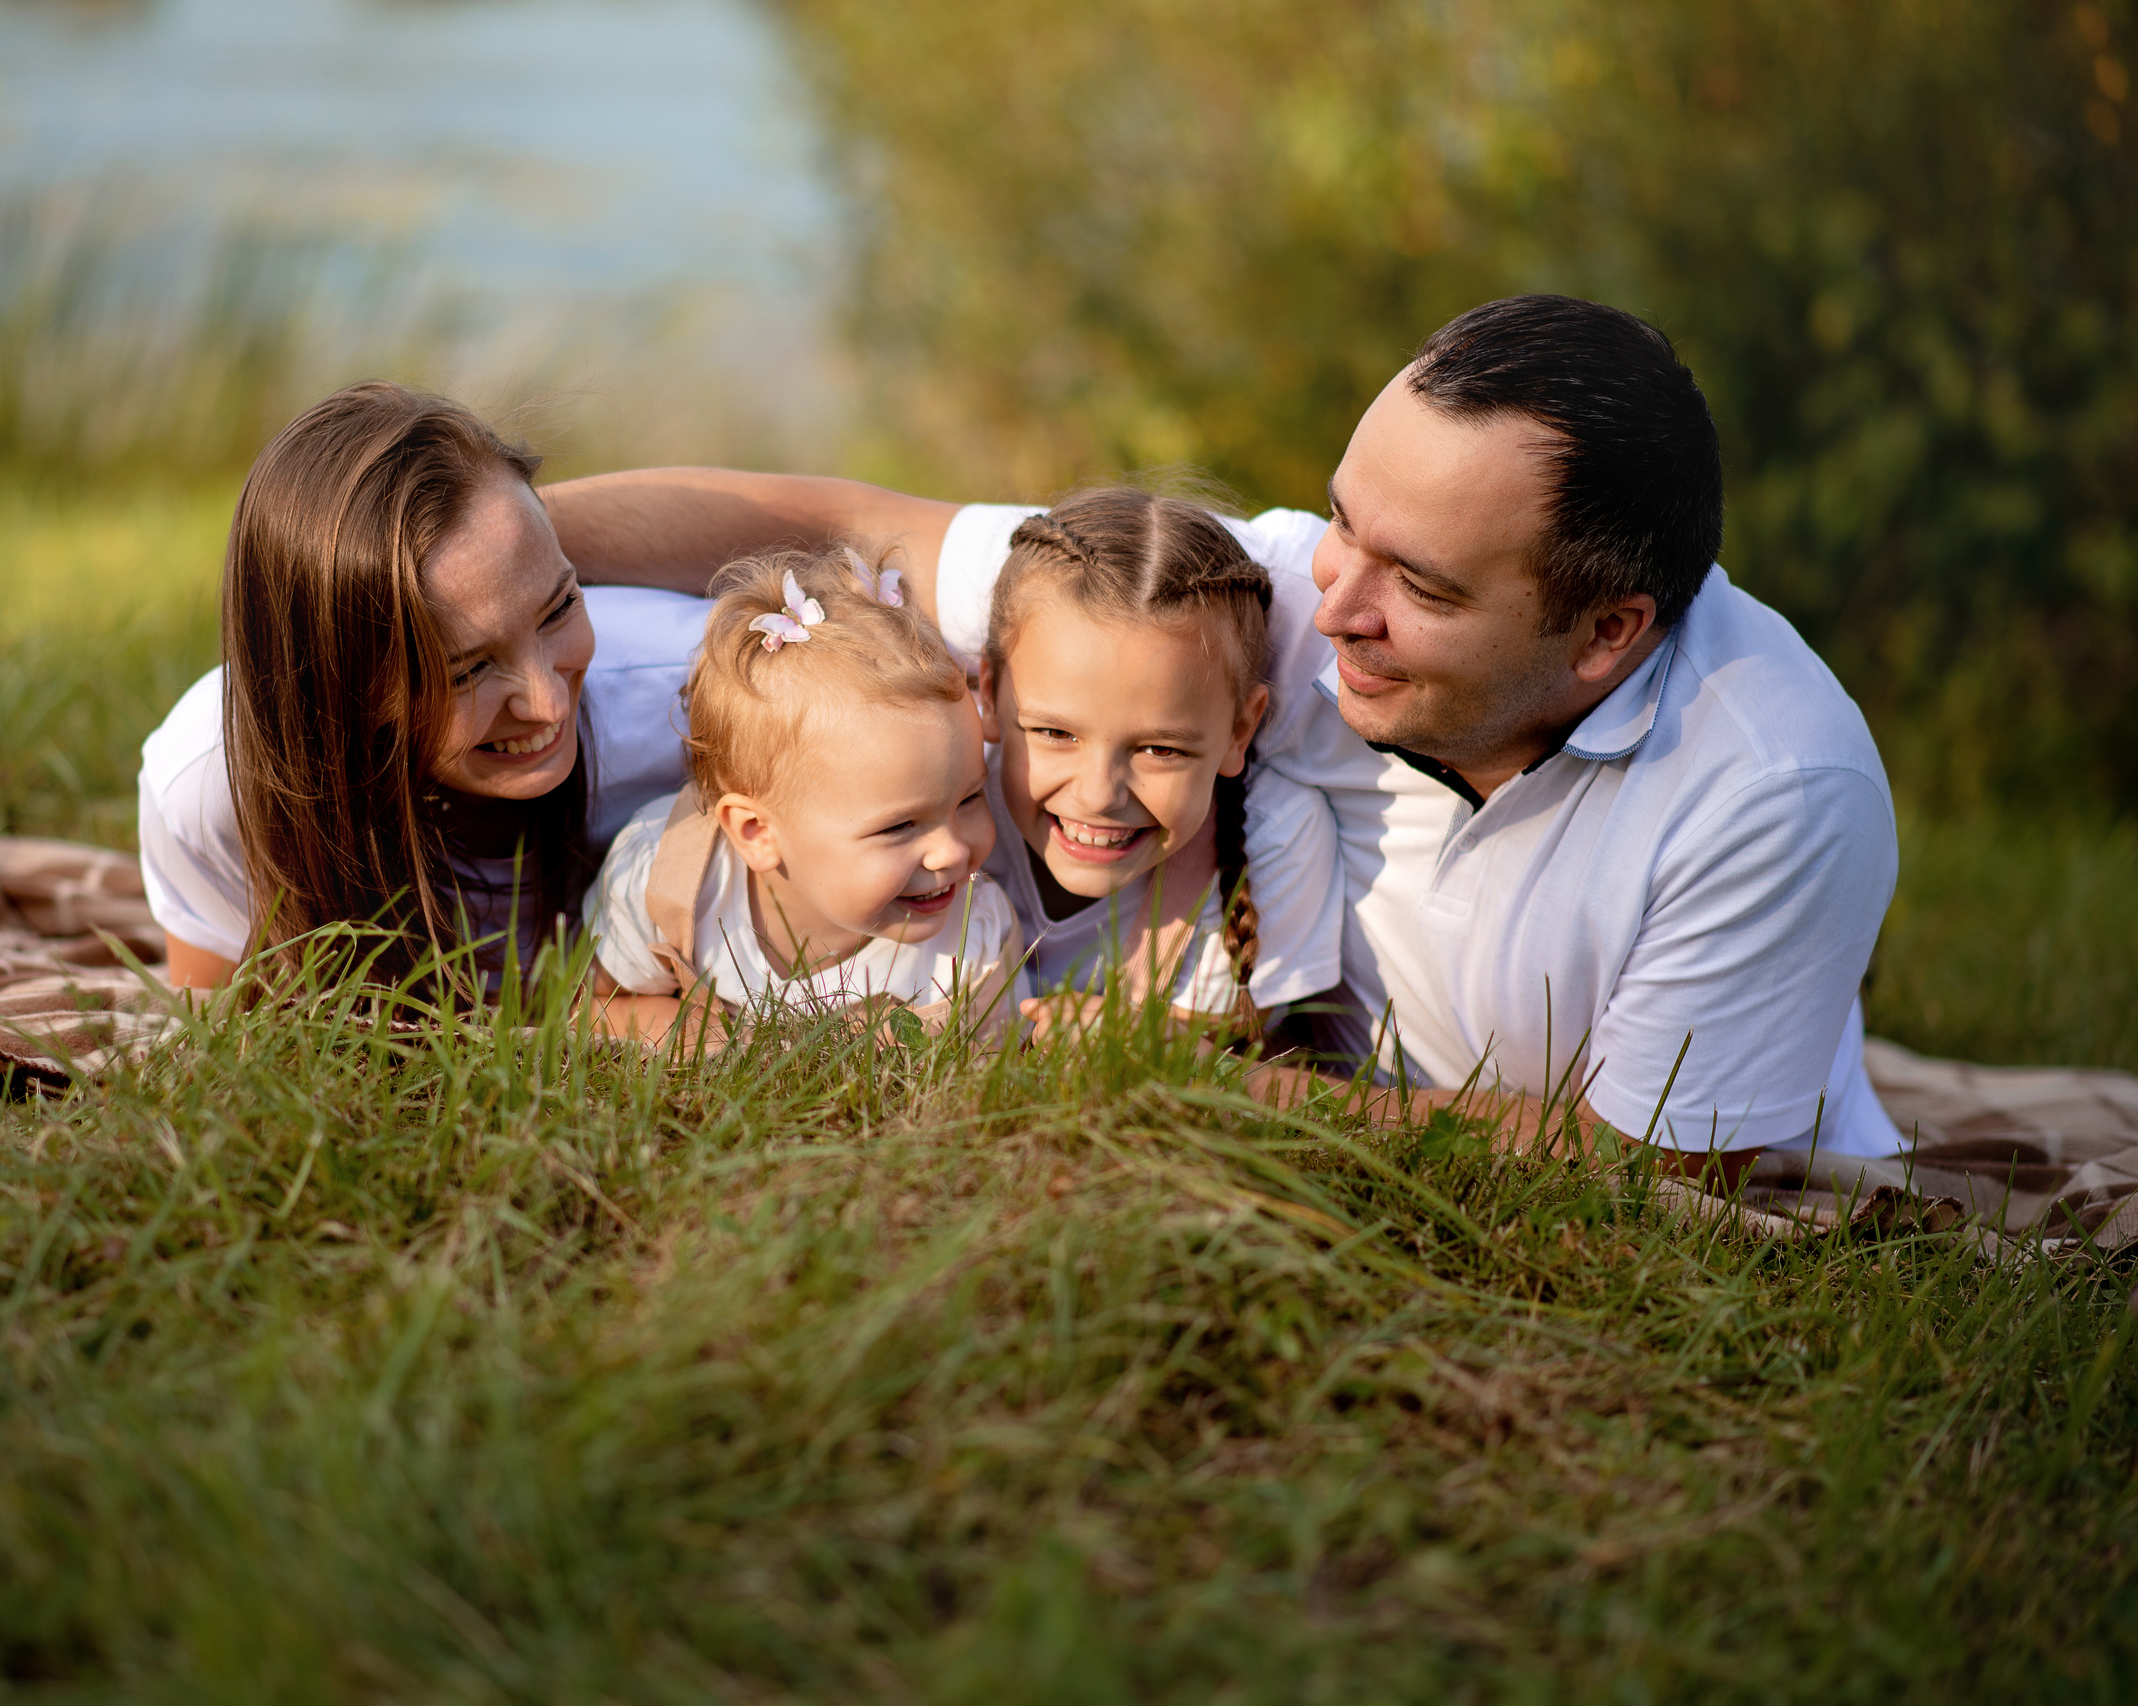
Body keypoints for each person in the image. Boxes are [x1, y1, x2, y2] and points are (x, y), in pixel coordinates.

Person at [543, 295, 1906, 1169]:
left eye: (1418, 584)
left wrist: (1214, 1094)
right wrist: (465, 563)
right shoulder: (1249, 604)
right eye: (1342, 520)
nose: (1332, 599)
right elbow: (839, 525)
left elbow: (1660, 1160)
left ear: (1607, 631)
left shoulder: (1775, 792)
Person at [138, 381, 709, 994]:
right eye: (467, 671)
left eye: (561, 606)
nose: (546, 703)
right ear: (344, 688)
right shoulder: (216, 790)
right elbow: (218, 1033)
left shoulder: (688, 697)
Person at [584, 546, 1025, 1045]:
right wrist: (702, 1034)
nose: (953, 851)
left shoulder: (973, 942)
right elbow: (590, 1007)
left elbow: (996, 1074)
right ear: (757, 832)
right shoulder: (668, 880)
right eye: (900, 826)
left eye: (969, 799)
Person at [976, 487, 1340, 1040]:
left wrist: (1141, 1039)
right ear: (988, 691)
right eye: (1054, 732)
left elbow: (1225, 1049)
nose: (1099, 794)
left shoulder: (1270, 839)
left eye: (1160, 749)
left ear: (1240, 730)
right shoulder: (938, 789)